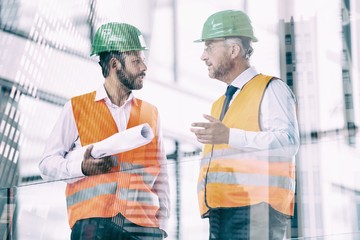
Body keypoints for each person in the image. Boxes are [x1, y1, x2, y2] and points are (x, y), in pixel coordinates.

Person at [39, 22, 170, 240]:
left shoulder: (151, 114)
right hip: (93, 226)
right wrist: (80, 167)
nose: (144, 68)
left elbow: (162, 175)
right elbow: (46, 164)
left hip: (143, 229)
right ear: (115, 64)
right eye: (136, 61)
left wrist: (162, 226)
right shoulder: (77, 108)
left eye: (143, 60)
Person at [190, 10, 300, 240]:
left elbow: (287, 143)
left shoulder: (271, 88)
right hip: (221, 213)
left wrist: (229, 136)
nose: (203, 56)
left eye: (209, 47)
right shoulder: (220, 104)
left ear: (234, 50)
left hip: (257, 211)